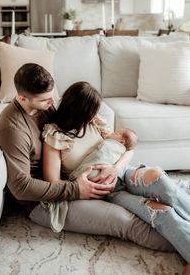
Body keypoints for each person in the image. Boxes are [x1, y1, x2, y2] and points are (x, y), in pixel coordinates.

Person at [0, 63, 175, 255]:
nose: (52, 102)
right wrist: (77, 189)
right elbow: (21, 188)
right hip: (46, 203)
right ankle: (181, 247)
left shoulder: (43, 106)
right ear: (22, 98)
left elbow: (70, 127)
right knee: (126, 221)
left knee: (155, 196)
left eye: (52, 95)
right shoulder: (13, 129)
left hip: (74, 178)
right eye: (46, 100)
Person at [42, 81, 190, 268]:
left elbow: (128, 149)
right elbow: (53, 182)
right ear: (78, 110)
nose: (95, 115)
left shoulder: (93, 122)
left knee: (159, 179)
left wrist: (115, 168)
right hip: (107, 190)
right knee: (159, 210)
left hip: (120, 171)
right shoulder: (54, 136)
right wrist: (83, 187)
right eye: (91, 111)